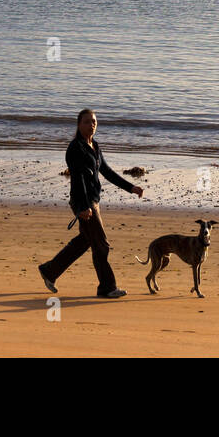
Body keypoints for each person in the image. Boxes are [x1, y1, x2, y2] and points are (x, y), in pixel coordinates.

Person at [38, 109, 144, 298]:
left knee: (85, 241)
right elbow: (78, 180)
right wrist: (83, 208)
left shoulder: (94, 145)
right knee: (101, 244)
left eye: (94, 122)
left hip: (92, 201)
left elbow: (107, 171)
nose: (91, 125)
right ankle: (107, 287)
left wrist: (130, 187)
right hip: (83, 202)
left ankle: (49, 271)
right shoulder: (75, 148)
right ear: (79, 125)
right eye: (87, 122)